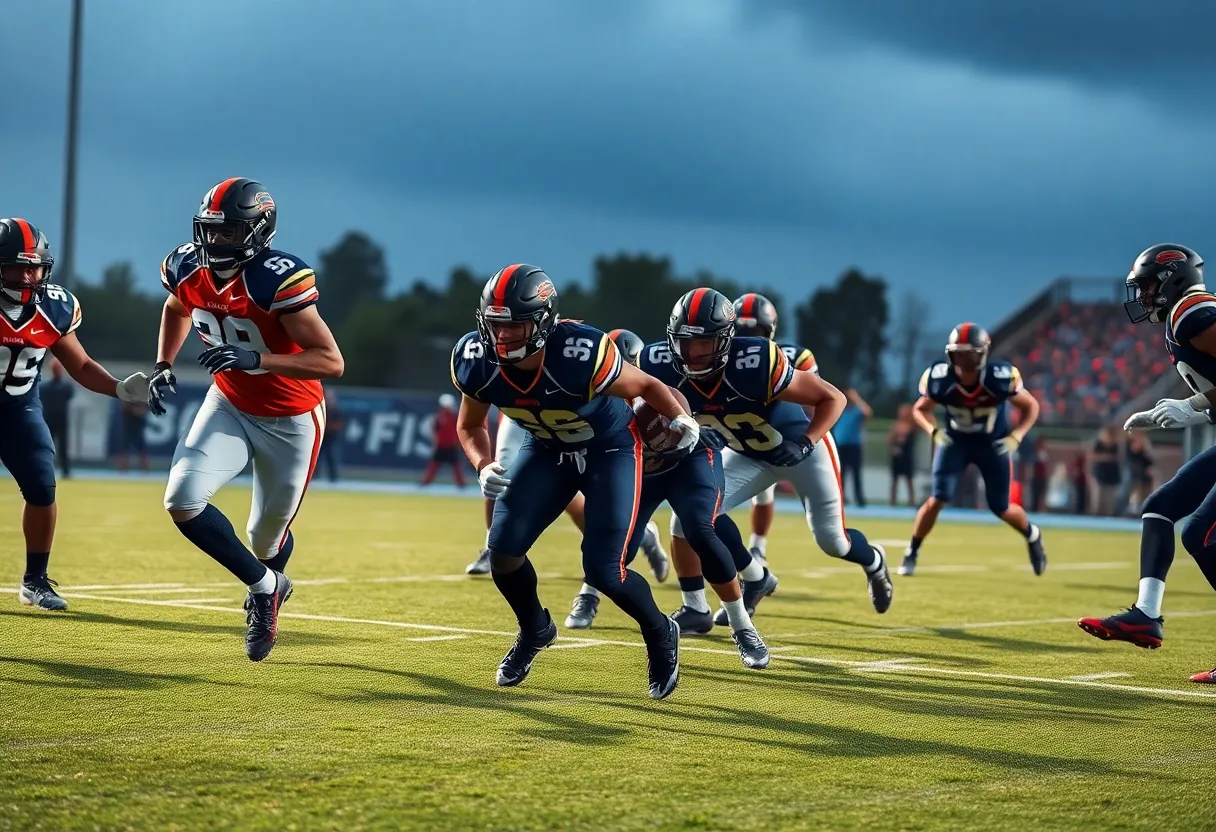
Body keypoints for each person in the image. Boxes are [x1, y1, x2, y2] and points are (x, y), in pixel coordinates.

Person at [452, 264, 692, 699]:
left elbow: (649, 385)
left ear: (543, 321)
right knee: (503, 552)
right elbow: (469, 426)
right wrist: (484, 464)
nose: (502, 338)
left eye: (515, 326)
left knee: (605, 571)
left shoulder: (580, 353)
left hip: (611, 449)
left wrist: (680, 418)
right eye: (495, 326)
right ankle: (535, 629)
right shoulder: (475, 361)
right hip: (546, 449)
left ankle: (660, 631)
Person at [150, 178, 343, 662]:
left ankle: (267, 574)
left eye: (229, 232)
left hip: (292, 416)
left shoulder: (274, 279)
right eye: (210, 231)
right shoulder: (186, 266)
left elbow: (330, 362)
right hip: (230, 403)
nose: (216, 242)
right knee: (182, 499)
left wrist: (257, 359)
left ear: (257, 232)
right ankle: (265, 589)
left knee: (264, 536)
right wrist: (163, 364)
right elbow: (176, 307)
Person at [647, 288, 893, 632]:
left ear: (725, 340)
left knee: (833, 541)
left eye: (704, 343)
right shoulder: (659, 365)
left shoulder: (758, 361)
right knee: (687, 519)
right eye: (686, 343)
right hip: (747, 455)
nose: (694, 354)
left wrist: (807, 441)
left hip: (799, 450)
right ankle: (701, 605)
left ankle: (874, 561)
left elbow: (832, 397)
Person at [1078, 243, 1216, 683]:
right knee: (1160, 508)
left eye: (1148, 286)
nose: (1142, 298)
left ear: (1173, 278)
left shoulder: (1194, 312)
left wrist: (1191, 406)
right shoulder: (1183, 318)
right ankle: (1146, 615)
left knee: (1199, 533)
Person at [0, 218, 148, 610]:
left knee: (42, 486)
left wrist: (118, 388)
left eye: (35, 266)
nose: (29, 276)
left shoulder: (54, 307)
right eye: (18, 266)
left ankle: (35, 581)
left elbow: (80, 365)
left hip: (18, 406)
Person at [465, 329, 669, 585]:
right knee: (499, 470)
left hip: (571, 424)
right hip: (523, 413)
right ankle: (492, 546)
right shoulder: (563, 347)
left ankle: (634, 538)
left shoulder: (600, 367)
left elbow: (644, 394)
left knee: (572, 497)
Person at [901, 323, 1047, 576]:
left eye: (969, 352)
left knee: (1000, 507)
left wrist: (1016, 436)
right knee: (938, 498)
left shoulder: (998, 377)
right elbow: (920, 408)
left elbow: (1030, 406)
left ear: (983, 353)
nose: (963, 357)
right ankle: (912, 551)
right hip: (956, 442)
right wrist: (934, 431)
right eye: (959, 352)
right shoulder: (940, 378)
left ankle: (1032, 534)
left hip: (992, 444)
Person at [731, 292, 818, 565]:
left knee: (828, 529)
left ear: (769, 331)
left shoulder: (792, 356)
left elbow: (816, 403)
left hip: (784, 435)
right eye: (741, 330)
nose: (748, 336)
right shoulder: (718, 359)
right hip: (738, 435)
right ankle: (754, 550)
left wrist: (806, 439)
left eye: (754, 330)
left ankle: (757, 547)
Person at [832, 388, 872, 506]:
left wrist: (857, 399)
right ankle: (841, 498)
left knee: (856, 474)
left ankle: (859, 499)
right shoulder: (840, 410)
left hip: (854, 446)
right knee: (841, 474)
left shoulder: (856, 411)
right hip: (841, 446)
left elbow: (868, 413)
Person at [420, 393, 466, 487]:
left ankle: (461, 484)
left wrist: (458, 442)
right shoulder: (439, 417)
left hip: (451, 445)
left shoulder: (454, 417)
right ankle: (426, 482)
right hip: (441, 445)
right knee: (434, 465)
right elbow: (435, 430)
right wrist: (435, 442)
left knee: (456, 465)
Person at [40, 359, 73, 478]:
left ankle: (65, 471)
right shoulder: (45, 387)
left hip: (62, 419)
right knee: (48, 446)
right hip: (49, 419)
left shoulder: (66, 386)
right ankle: (46, 469)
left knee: (63, 446)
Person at [887, 403, 917, 506]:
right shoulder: (896, 426)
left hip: (908, 455)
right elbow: (889, 440)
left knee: (909, 480)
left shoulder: (913, 426)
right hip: (897, 456)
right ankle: (892, 502)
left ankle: (911, 502)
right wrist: (894, 449)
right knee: (894, 480)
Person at [1091, 426, 1122, 516]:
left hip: (1111, 477)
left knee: (1110, 502)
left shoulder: (1115, 446)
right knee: (1097, 501)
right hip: (1099, 477)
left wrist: (1105, 457)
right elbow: (1094, 456)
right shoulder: (1098, 444)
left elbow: (1117, 457)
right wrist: (1105, 457)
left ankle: (1109, 518)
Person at [116, 398, 150, 473]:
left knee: (142, 449)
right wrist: (134, 409)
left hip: (138, 427)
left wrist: (141, 410)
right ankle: (123, 470)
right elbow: (123, 406)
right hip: (128, 425)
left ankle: (145, 470)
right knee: (125, 448)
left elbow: (145, 409)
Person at [318, 388, 344, 483]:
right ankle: (315, 476)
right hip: (321, 437)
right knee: (317, 458)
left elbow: (339, 425)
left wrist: (328, 427)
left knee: (332, 457)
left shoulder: (336, 411)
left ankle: (333, 478)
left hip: (331, 438)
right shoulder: (321, 409)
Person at [1124, 433, 1154, 514]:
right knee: (1135, 497)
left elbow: (1151, 462)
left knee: (1144, 497)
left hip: (1145, 479)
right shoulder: (1130, 453)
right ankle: (1132, 513)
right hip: (1135, 478)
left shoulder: (1143, 454)